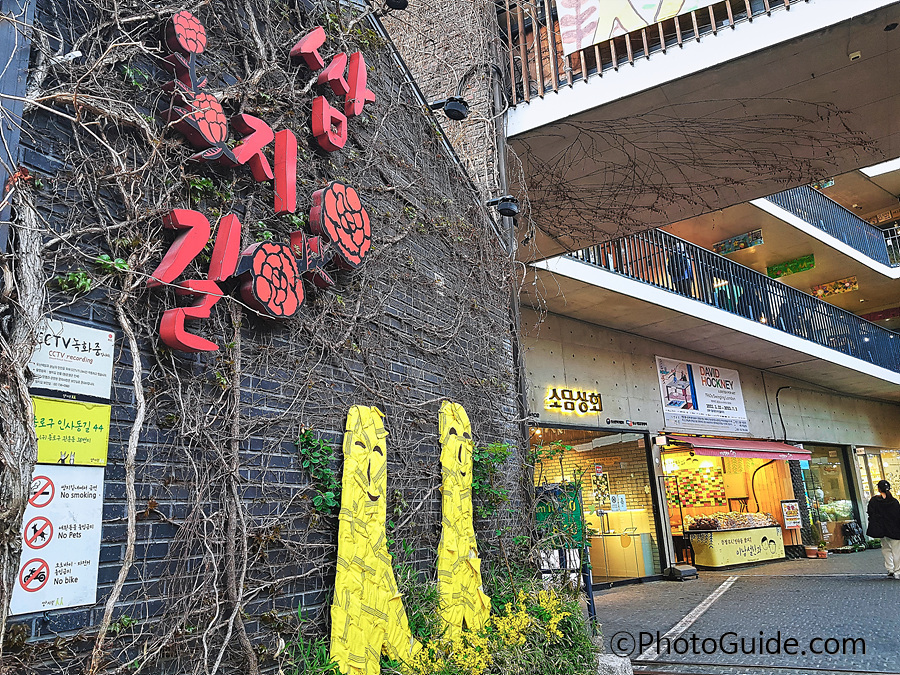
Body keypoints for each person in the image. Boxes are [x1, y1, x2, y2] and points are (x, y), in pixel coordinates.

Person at [866, 479, 900, 578]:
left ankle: (890, 568)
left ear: (879, 489)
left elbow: (870, 514)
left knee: (885, 548)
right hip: (894, 530)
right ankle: (898, 572)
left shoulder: (874, 500)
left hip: (881, 530)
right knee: (896, 551)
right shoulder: (894, 502)